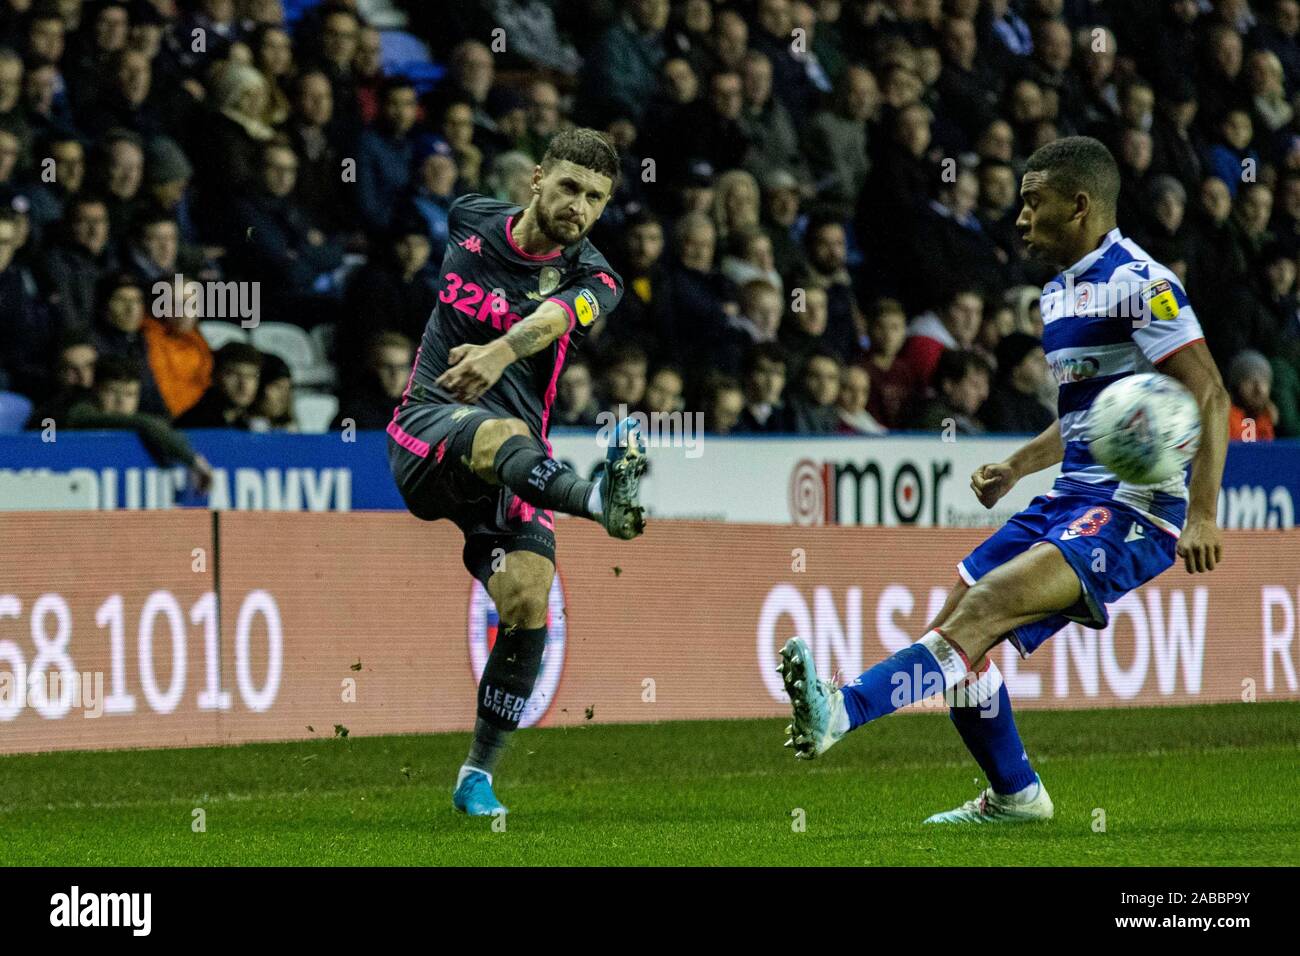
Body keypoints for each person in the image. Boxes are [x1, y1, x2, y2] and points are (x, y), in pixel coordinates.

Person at [779, 137, 1229, 824]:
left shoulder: (1144, 284)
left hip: (1134, 509)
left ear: (1078, 205)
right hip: (1070, 495)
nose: (1019, 217)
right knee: (959, 621)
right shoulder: (1055, 295)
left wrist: (1202, 513)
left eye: (1032, 201)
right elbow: (1086, 417)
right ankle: (1017, 795)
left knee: (984, 607)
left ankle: (839, 710)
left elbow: (1211, 395)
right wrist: (1017, 466)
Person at [385, 128, 647, 819]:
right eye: (568, 187)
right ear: (536, 179)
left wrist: (499, 353)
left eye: (595, 198)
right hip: (426, 429)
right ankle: (599, 500)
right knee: (495, 430)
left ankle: (477, 775)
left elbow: (556, 318)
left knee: (531, 597)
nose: (579, 207)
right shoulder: (469, 218)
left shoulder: (598, 280)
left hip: (516, 469)